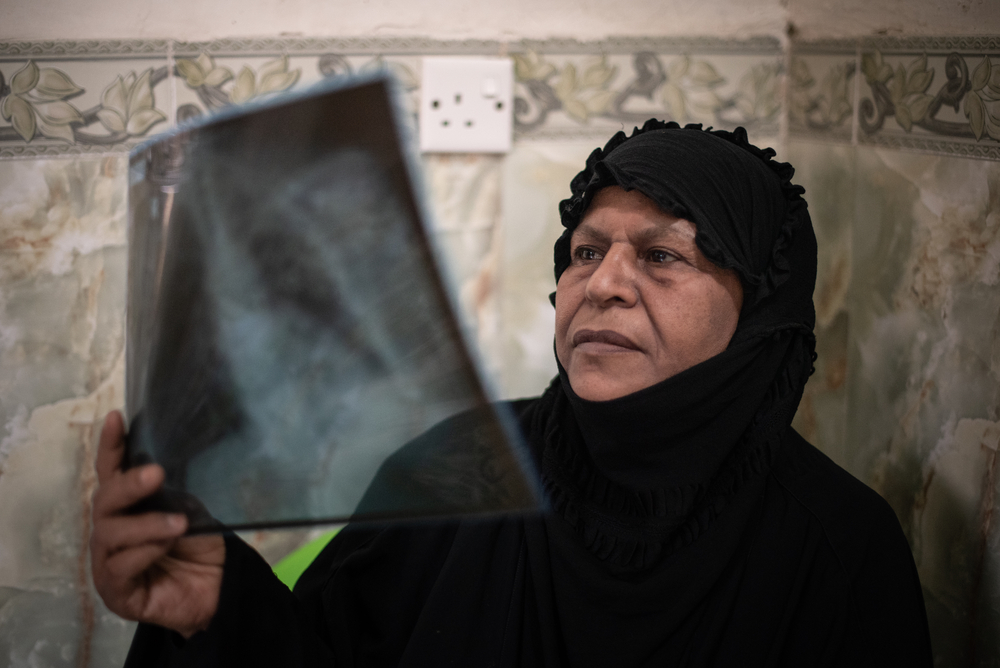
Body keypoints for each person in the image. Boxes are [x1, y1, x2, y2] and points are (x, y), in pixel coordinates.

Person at [91, 120, 933, 667]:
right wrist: (217, 611)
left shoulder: (838, 549)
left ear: (759, 313)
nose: (603, 285)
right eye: (585, 251)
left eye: (664, 256)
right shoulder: (458, 469)